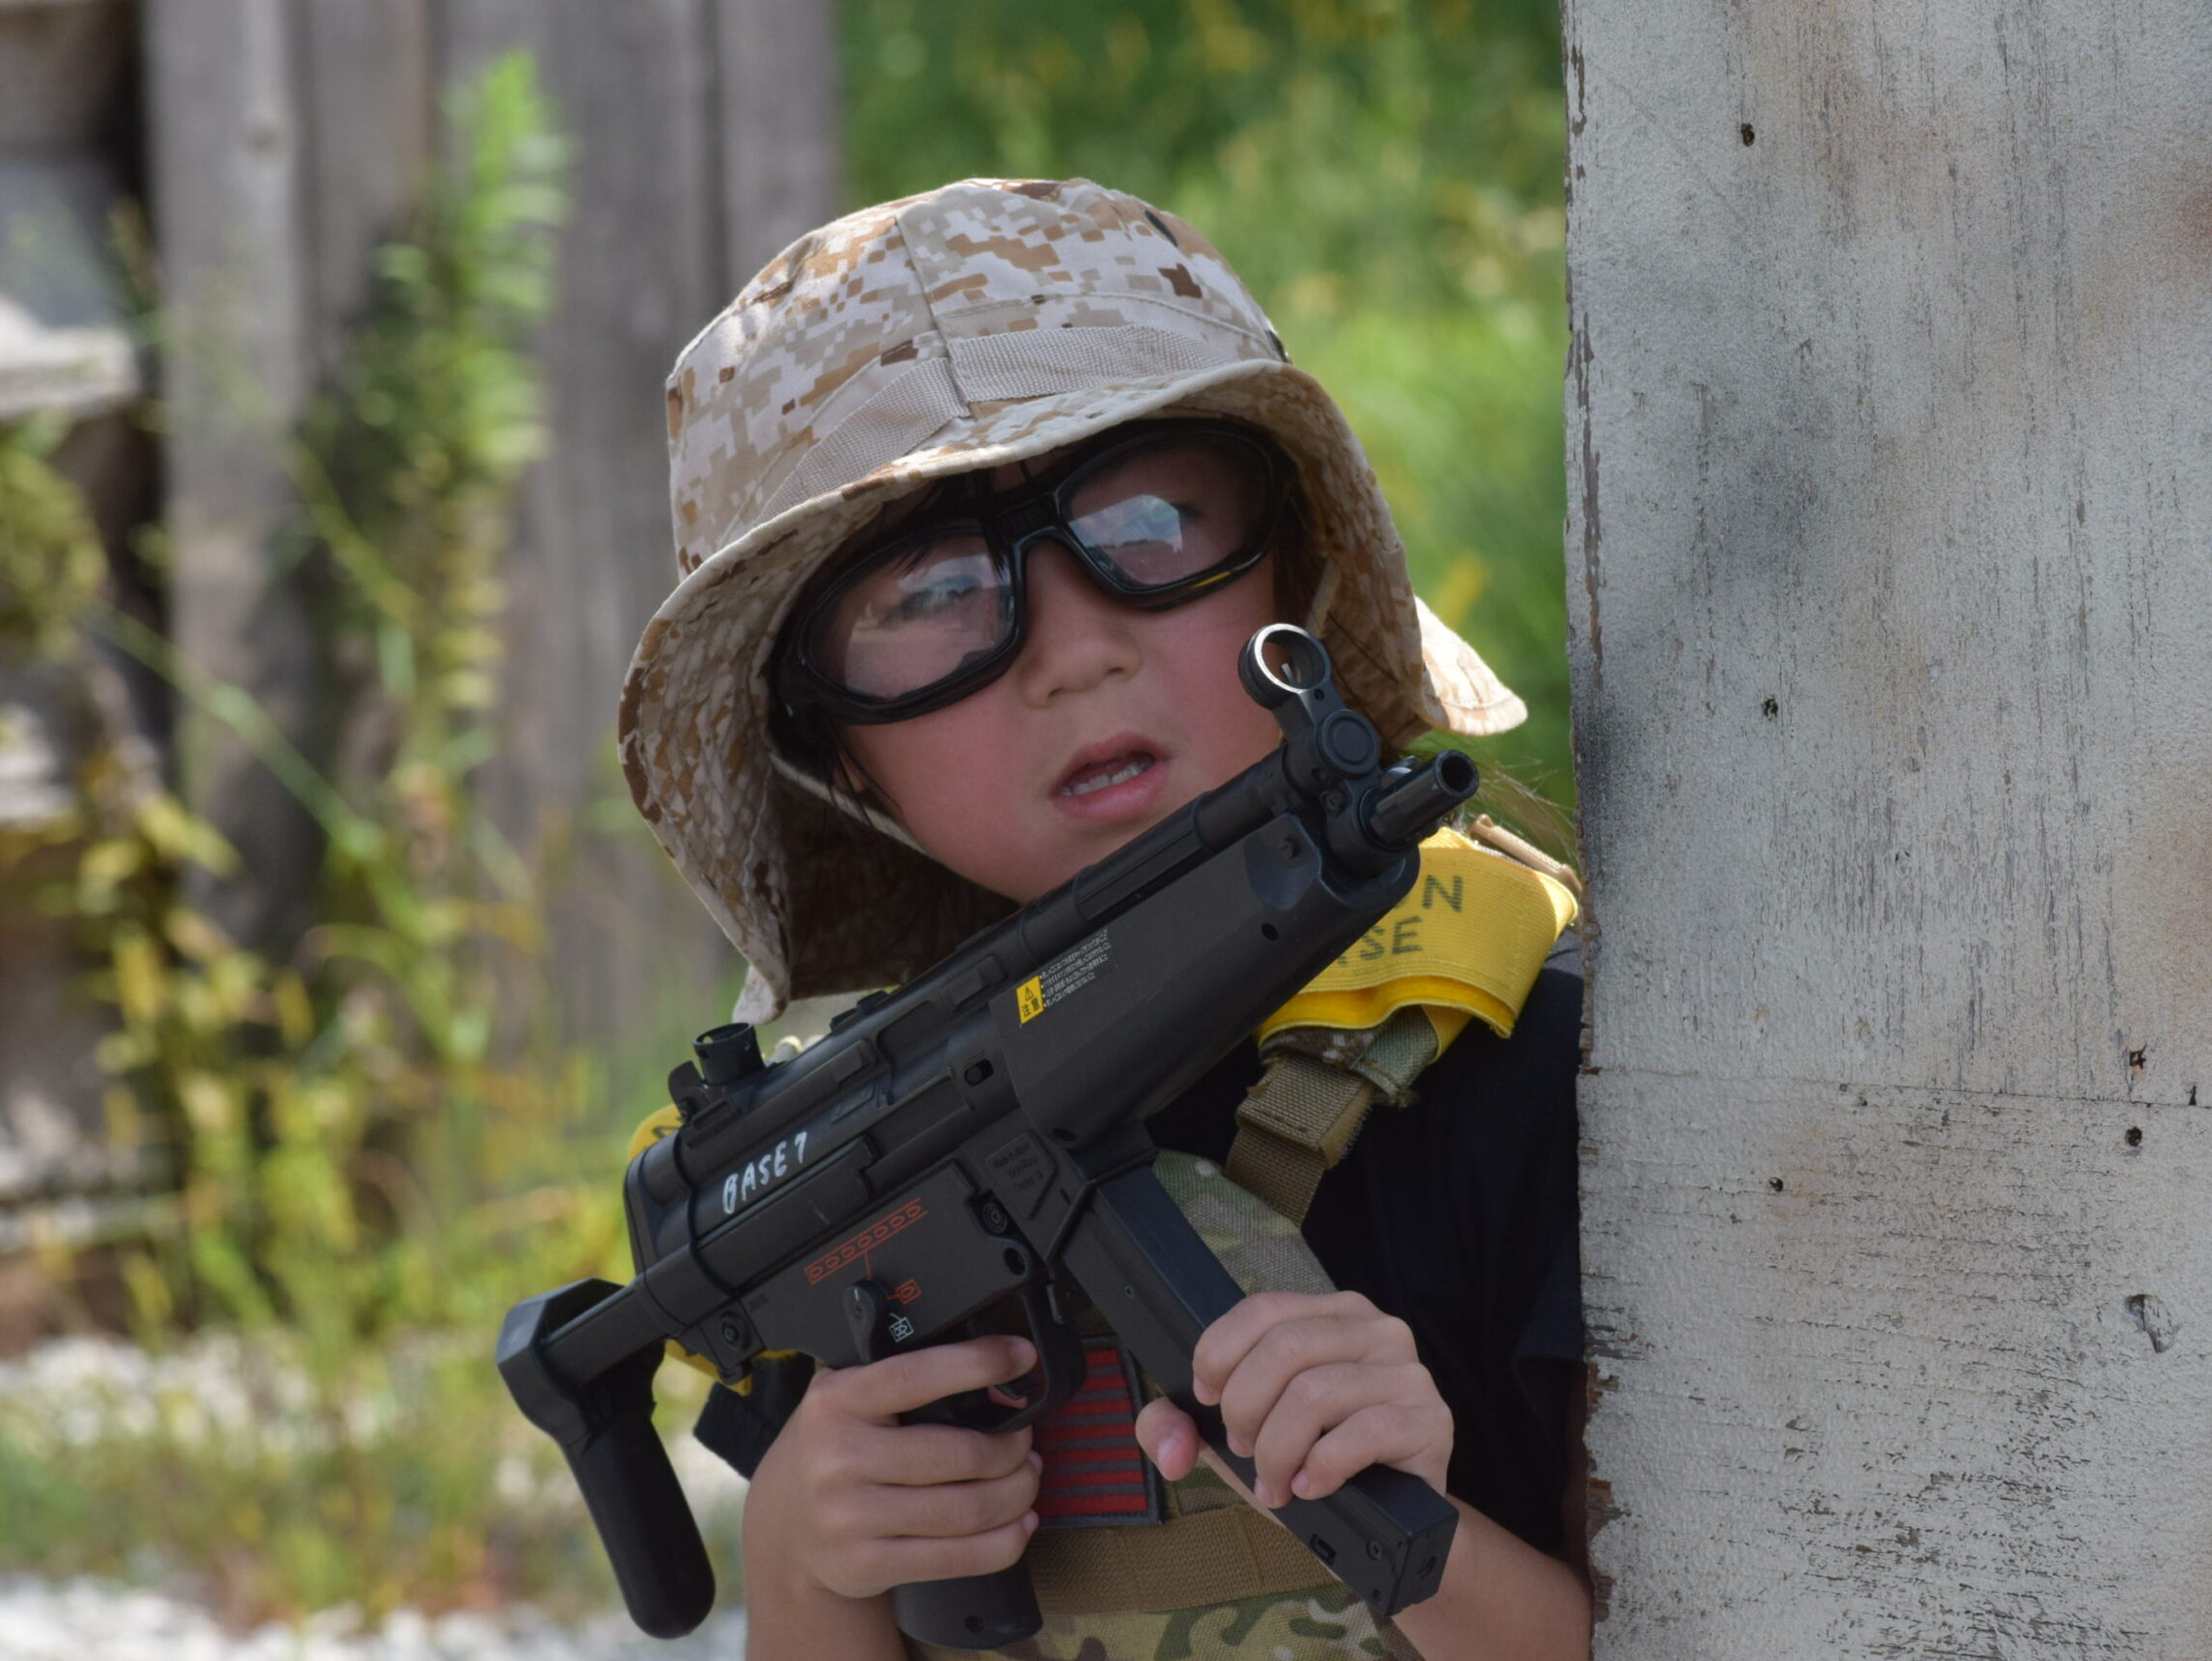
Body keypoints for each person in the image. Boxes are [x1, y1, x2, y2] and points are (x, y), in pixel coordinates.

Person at [616, 178, 1591, 1661]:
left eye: (1150, 524)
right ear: (834, 753)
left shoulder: (1532, 1062)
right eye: (926, 597)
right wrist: (808, 1568)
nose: (1072, 652)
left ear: (1294, 569)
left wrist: (1419, 1530)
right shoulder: (857, 1158)